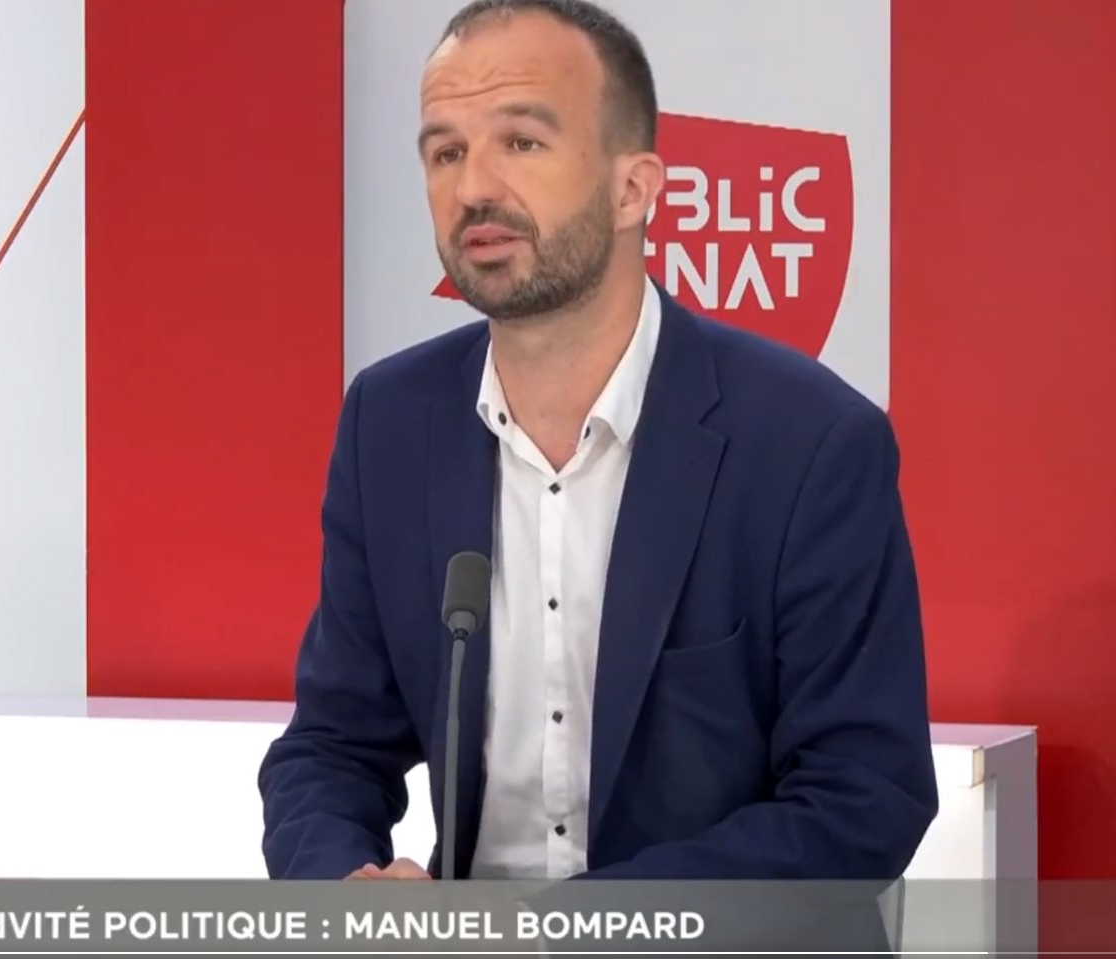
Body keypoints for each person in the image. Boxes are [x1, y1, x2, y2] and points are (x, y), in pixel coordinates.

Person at [259, 0, 937, 886]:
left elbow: (862, 799)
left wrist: (559, 933)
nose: (473, 188)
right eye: (445, 152)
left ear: (633, 190)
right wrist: (343, 886)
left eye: (521, 142)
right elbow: (331, 744)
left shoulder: (808, 443)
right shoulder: (387, 421)